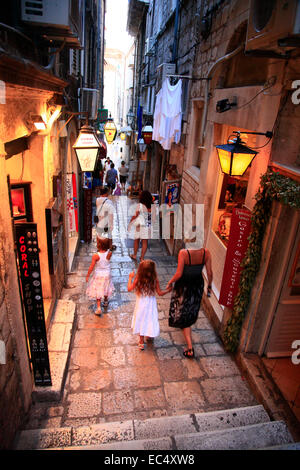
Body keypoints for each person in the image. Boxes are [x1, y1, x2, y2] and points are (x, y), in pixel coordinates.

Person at [166, 241, 213, 359]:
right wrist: (209, 286)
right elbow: (210, 273)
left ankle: (190, 348)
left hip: (184, 285)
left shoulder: (183, 253)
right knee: (191, 309)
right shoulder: (206, 253)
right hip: (197, 284)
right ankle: (185, 323)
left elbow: (178, 273)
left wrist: (170, 281)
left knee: (183, 310)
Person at [128, 260, 172, 350]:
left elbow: (129, 288)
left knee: (140, 319)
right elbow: (159, 293)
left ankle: (141, 342)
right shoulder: (155, 280)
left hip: (141, 303)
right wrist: (168, 290)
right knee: (149, 319)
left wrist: (130, 277)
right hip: (150, 304)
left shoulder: (138, 278)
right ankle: (149, 334)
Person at [86, 237, 114, 315]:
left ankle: (98, 308)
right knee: (106, 287)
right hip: (107, 274)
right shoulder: (109, 253)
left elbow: (91, 267)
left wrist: (88, 275)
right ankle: (105, 301)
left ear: (98, 245)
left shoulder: (96, 256)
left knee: (99, 290)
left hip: (99, 275)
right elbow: (107, 258)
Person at [128, 190, 153, 262]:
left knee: (136, 240)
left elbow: (135, 215)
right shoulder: (152, 206)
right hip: (147, 225)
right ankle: (142, 258)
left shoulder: (140, 205)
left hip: (139, 226)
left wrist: (130, 222)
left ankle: (135, 255)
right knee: (145, 242)